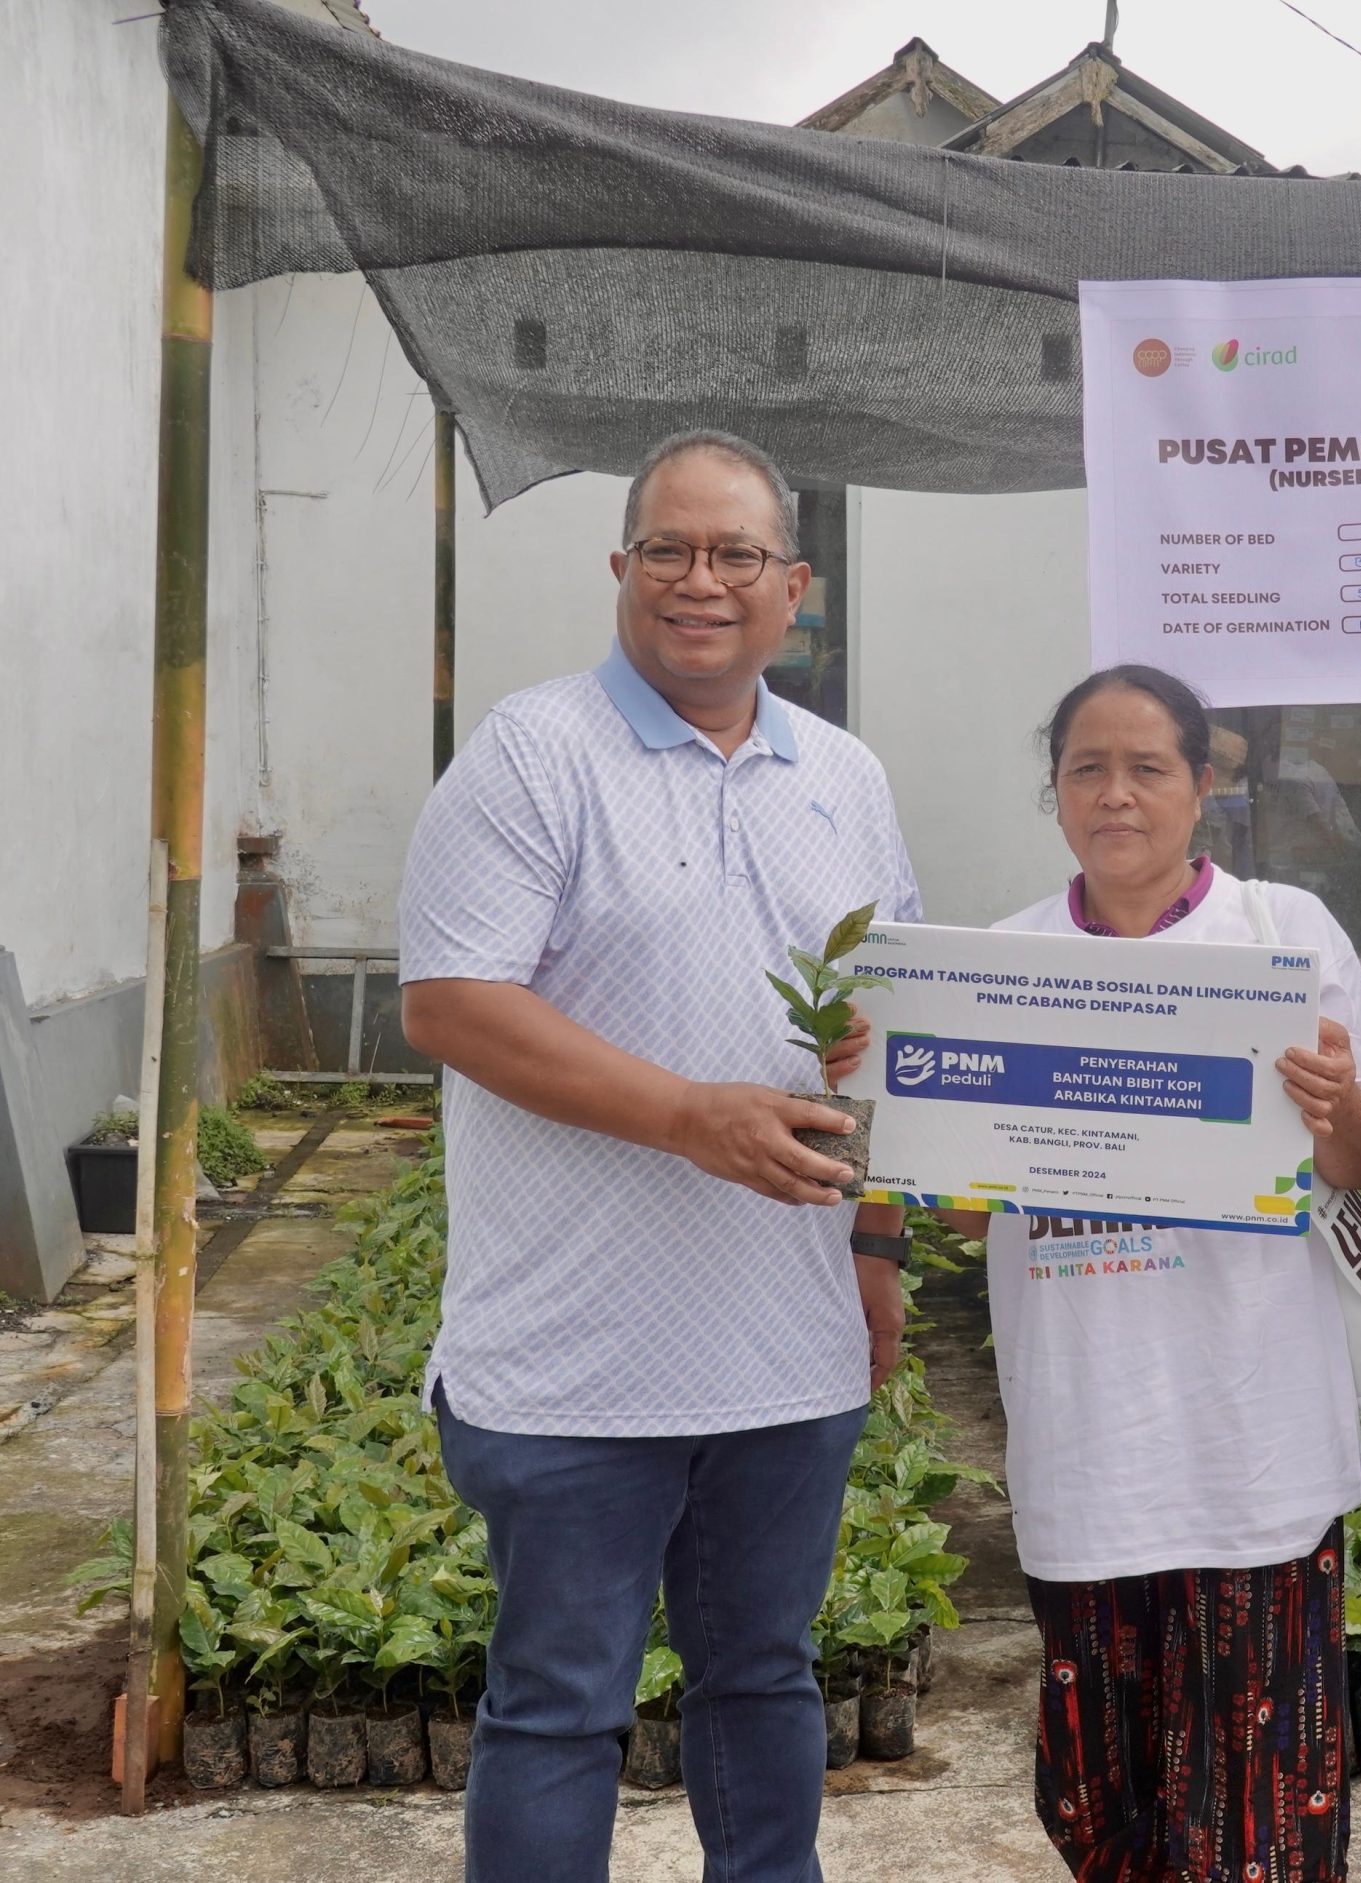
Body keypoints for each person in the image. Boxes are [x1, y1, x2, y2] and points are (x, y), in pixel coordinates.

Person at [399, 429, 924, 1882]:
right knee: (561, 1706)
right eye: (670, 551)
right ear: (622, 569)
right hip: (575, 1356)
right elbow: (451, 998)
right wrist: (694, 1114)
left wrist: (876, 1247)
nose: (703, 581)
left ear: (793, 584)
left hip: (785, 1344)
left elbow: (901, 1033)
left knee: (761, 1678)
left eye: (737, 553)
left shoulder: (845, 776)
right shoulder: (534, 749)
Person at [960, 663, 1361, 1882]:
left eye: (1148, 767)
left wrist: (1332, 1107)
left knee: (1257, 1823)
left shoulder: (1281, 933)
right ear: (1052, 789)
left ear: (1202, 786)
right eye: (1086, 768)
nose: (1117, 795)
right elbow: (948, 1185)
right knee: (1100, 1807)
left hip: (1251, 1451)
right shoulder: (1001, 962)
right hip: (1086, 1449)